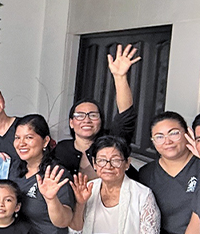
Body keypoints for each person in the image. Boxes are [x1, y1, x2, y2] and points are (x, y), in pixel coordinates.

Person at [53, 44, 141, 179]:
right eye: (80, 115)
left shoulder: (112, 141)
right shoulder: (62, 149)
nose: (86, 120)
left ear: (101, 121)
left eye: (93, 115)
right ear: (71, 122)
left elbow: (126, 116)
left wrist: (120, 77)